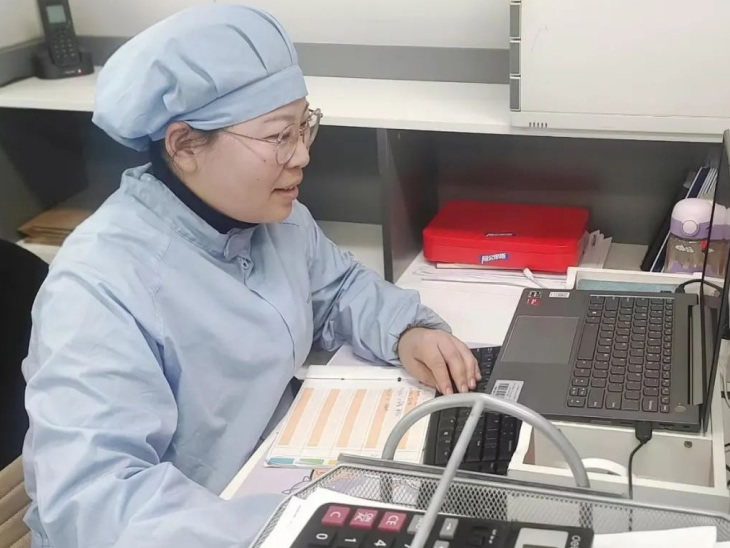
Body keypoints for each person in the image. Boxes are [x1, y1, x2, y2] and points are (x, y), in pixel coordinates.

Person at [21, 5, 479, 548]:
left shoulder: (275, 218)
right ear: (184, 146)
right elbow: (98, 504)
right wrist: (302, 528)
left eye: (304, 126)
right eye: (279, 135)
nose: (302, 154)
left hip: (273, 471)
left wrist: (407, 331)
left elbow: (337, 291)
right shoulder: (99, 286)